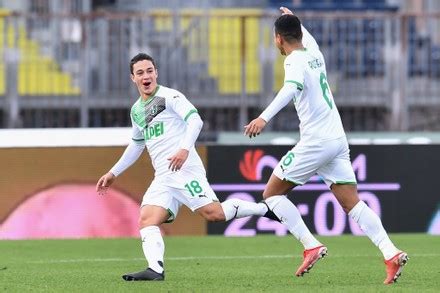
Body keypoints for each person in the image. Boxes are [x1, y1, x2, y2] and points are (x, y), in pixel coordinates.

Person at [244, 7, 408, 285]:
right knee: (351, 203)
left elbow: (290, 89)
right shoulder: (314, 53)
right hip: (337, 140)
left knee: (271, 194)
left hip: (317, 142)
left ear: (278, 39)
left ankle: (310, 245)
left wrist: (263, 117)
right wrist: (295, 18)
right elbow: (303, 35)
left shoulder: (294, 60)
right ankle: (390, 253)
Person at [96, 53, 276, 281]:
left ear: (156, 73)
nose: (146, 76)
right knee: (147, 219)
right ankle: (155, 270)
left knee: (214, 214)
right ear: (133, 78)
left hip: (184, 169)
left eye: (149, 70)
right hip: (163, 175)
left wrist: (184, 149)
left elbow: (195, 120)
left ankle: (264, 209)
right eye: (140, 73)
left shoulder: (170, 96)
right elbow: (136, 145)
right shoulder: (136, 111)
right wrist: (113, 173)